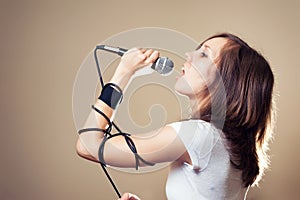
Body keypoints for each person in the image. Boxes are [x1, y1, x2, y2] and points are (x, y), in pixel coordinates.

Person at [76, 33, 275, 199]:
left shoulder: (198, 134)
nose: (189, 54)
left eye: (204, 54)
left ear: (226, 81)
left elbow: (88, 146)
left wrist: (123, 73)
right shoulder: (230, 146)